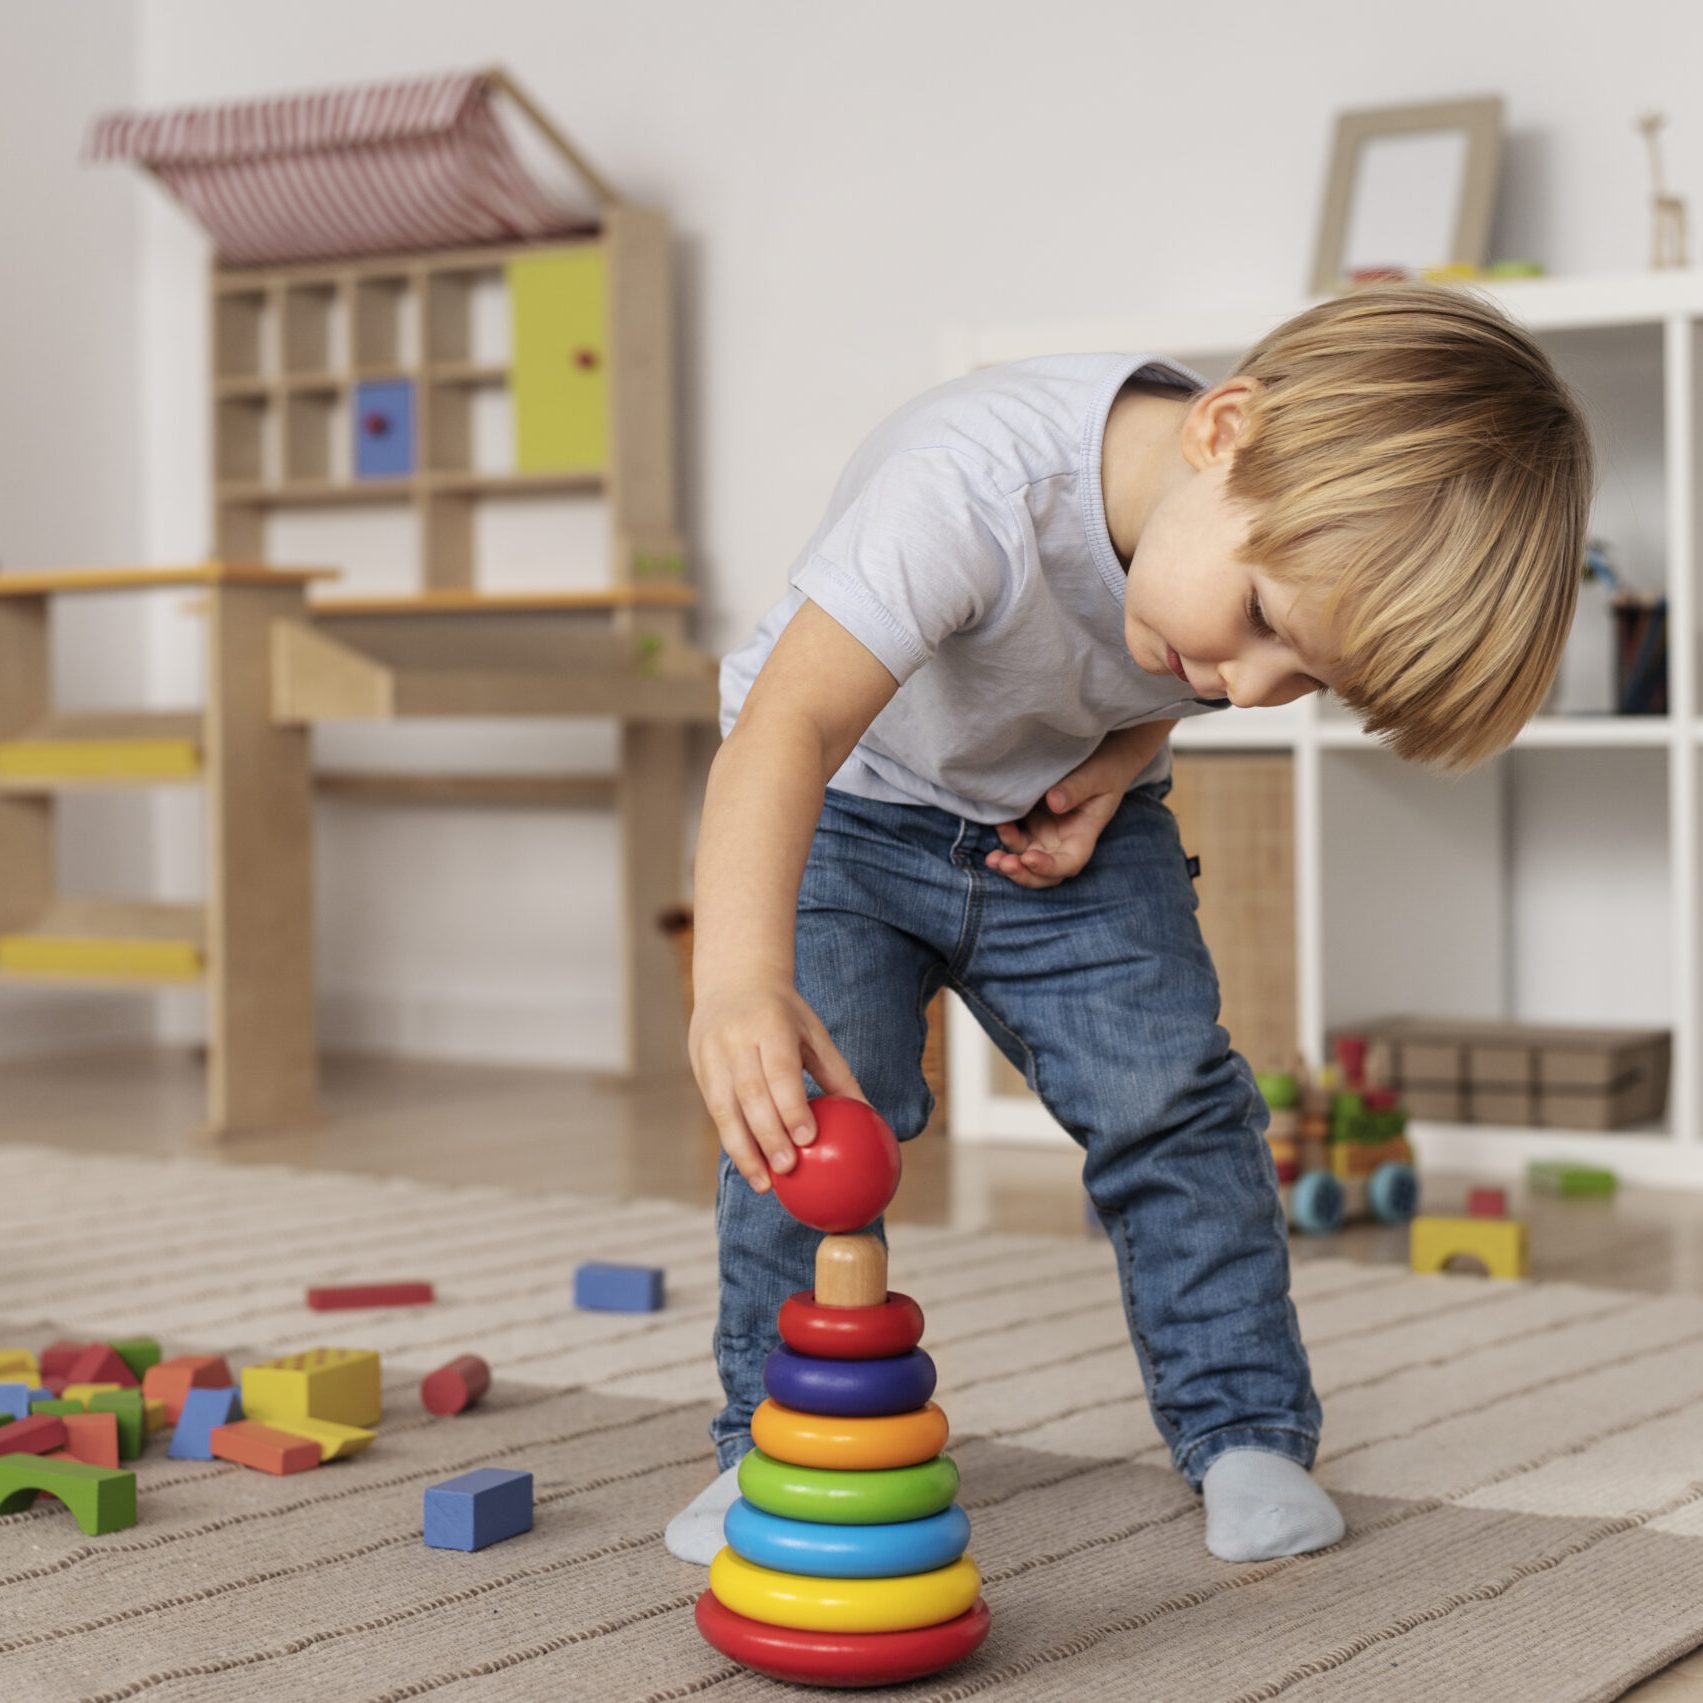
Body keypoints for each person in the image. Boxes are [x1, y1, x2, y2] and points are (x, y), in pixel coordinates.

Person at [665, 281, 1596, 1566]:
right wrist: (735, 985)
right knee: (813, 1116)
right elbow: (786, 728)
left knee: (1174, 1101)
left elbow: (1189, 655)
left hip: (1059, 827)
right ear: (1221, 430)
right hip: (843, 803)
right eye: (1266, 627)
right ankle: (767, 1442)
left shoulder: (1223, 558)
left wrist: (1120, 760)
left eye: (1305, 680)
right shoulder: (971, 485)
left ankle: (1246, 1427)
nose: (1249, 687)